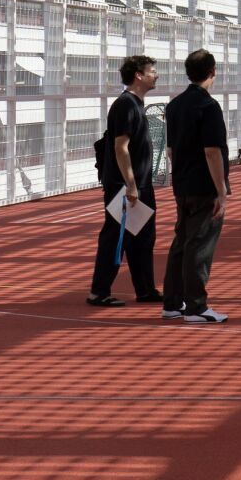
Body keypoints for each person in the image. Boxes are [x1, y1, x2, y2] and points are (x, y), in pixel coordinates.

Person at [160, 47, 231, 326]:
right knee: (199, 245)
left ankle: (172, 302)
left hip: (183, 183)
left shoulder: (175, 105)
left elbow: (170, 150)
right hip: (204, 185)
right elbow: (212, 151)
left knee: (182, 242)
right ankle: (196, 306)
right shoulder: (208, 107)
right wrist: (221, 190)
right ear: (213, 72)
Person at [87, 54, 159, 308]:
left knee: (143, 237)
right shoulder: (126, 105)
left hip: (139, 184)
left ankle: (145, 288)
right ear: (138, 75)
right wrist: (130, 184)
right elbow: (121, 147)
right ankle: (99, 291)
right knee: (115, 237)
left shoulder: (135, 104)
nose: (155, 75)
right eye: (151, 71)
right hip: (125, 186)